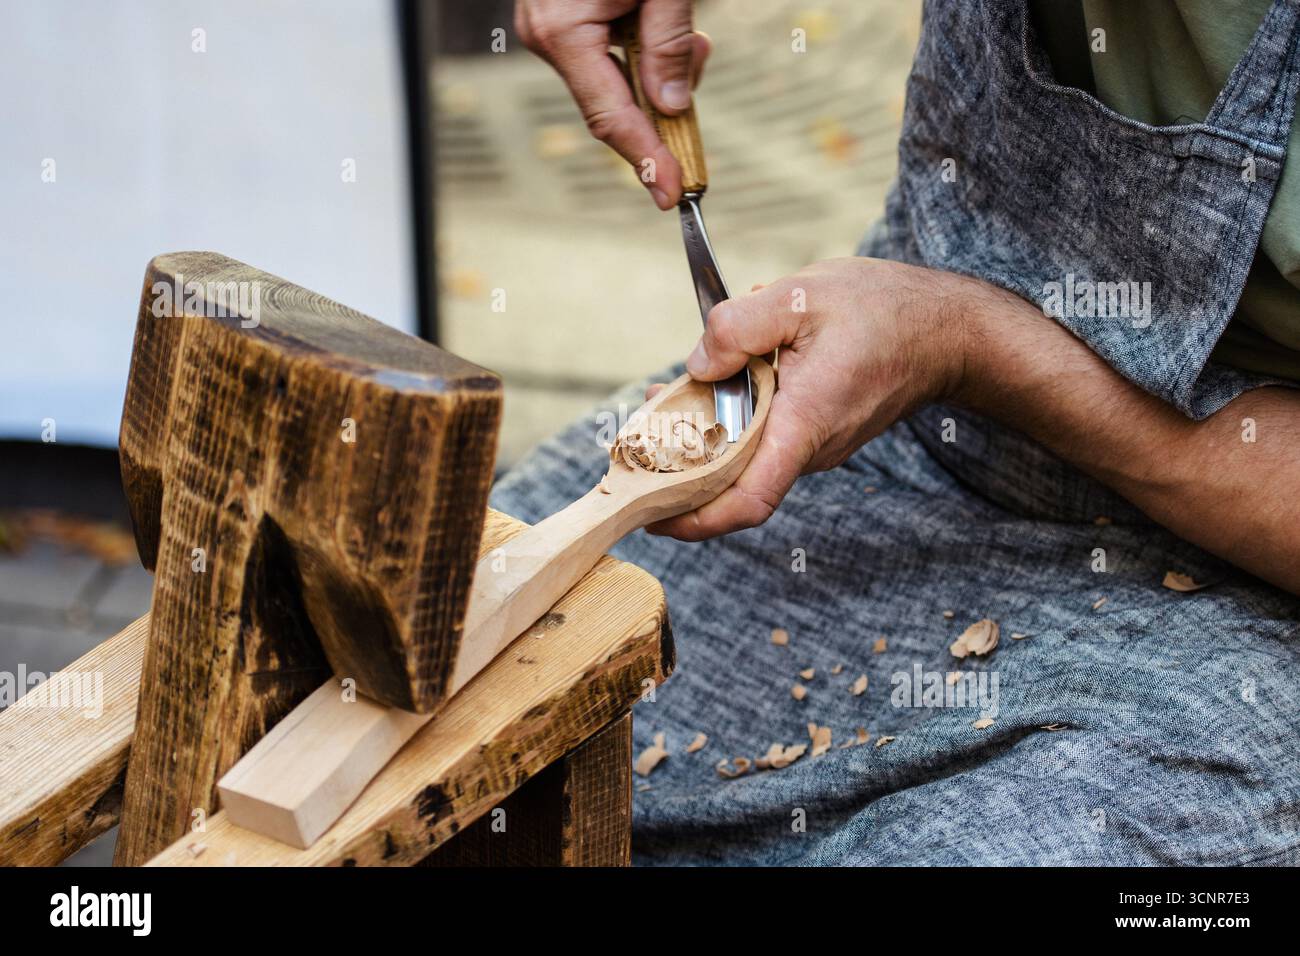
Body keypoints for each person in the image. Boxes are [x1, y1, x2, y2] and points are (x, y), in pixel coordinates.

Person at [497, 0, 1300, 865]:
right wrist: (939, 340)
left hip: (1245, 584)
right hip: (899, 401)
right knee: (459, 672)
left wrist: (967, 342)